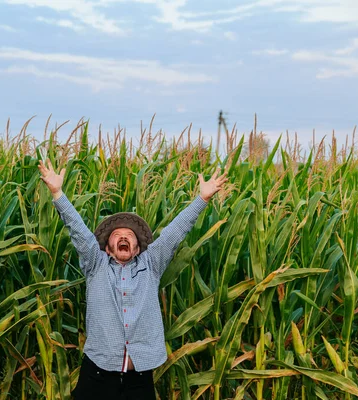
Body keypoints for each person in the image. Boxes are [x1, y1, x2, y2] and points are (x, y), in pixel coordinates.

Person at [38, 159, 227, 400]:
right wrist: (57, 193)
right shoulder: (96, 264)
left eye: (130, 236)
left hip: (139, 376)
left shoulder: (151, 264)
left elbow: (175, 233)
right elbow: (79, 231)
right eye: (117, 236)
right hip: (97, 372)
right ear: (107, 248)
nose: (124, 238)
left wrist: (202, 199)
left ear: (138, 248)